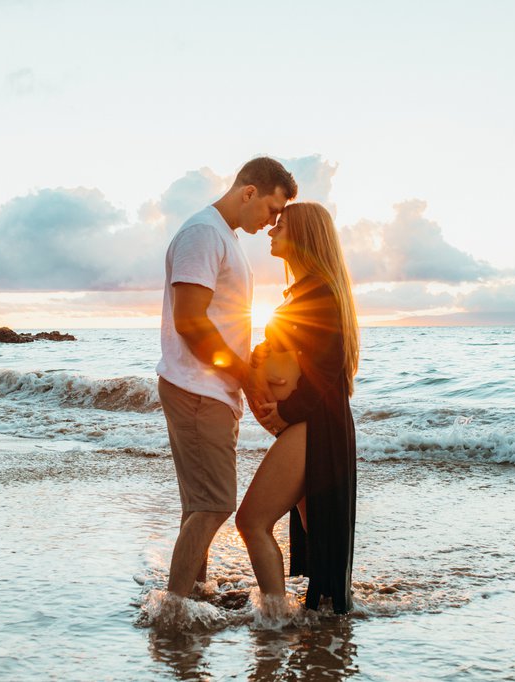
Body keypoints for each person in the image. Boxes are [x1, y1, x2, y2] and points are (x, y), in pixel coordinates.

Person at [156, 157, 298, 603]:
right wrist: (247, 378)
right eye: (272, 209)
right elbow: (190, 321)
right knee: (215, 504)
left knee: (199, 504)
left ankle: (192, 596)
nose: (273, 221)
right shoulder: (204, 233)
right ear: (249, 192)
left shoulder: (225, 238)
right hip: (198, 389)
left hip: (210, 390)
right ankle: (173, 610)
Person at [236, 202, 359, 614]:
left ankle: (276, 619)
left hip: (314, 424)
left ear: (304, 236)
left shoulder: (321, 293)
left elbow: (325, 370)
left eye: (281, 226)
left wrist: (286, 413)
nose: (271, 231)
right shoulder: (305, 291)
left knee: (251, 521)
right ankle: (324, 622)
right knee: (318, 533)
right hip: (307, 424)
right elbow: (293, 354)